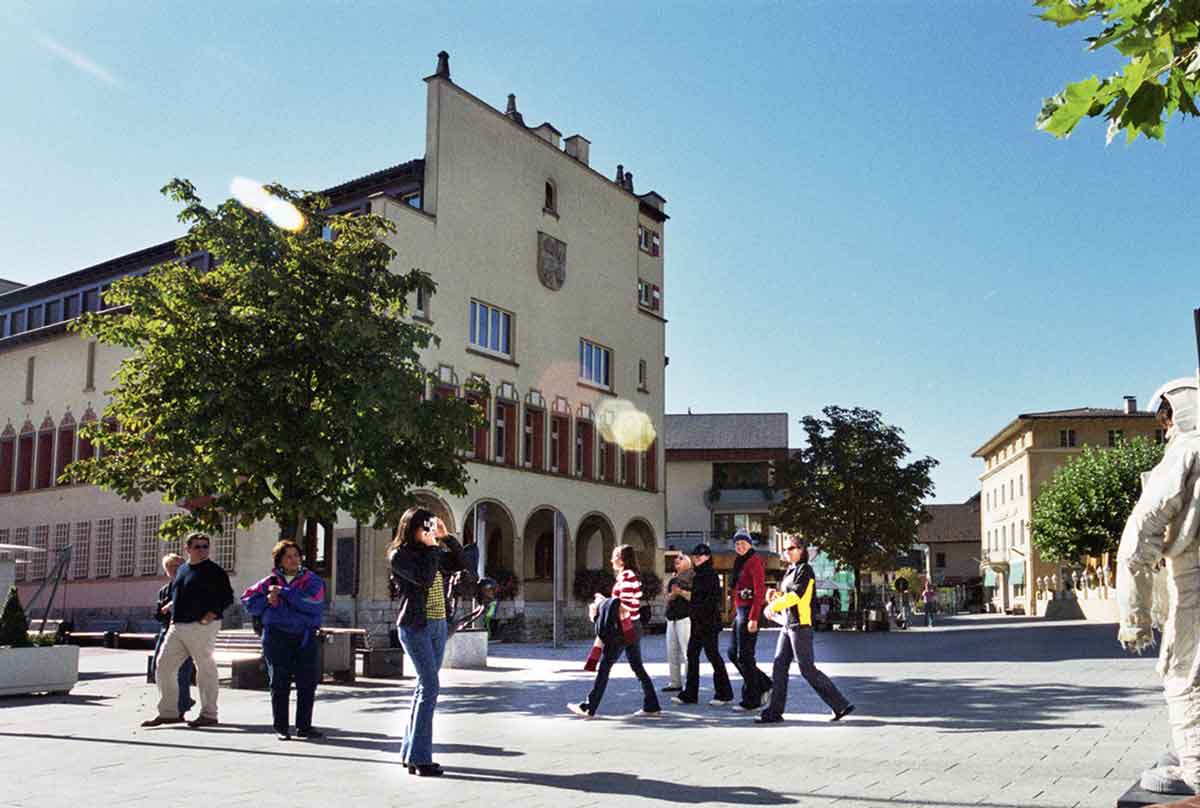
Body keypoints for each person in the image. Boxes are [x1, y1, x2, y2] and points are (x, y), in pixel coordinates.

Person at [1116, 377, 1200, 796]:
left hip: (1195, 583)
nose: (1164, 430)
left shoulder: (1186, 452)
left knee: (1185, 675)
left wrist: (1134, 619)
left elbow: (1138, 538)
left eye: (1165, 421)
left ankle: (1197, 771)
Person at [389, 507, 464, 777]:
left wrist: (447, 538)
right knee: (431, 686)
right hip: (414, 626)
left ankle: (410, 753)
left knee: (424, 687)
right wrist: (433, 548)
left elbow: (462, 563)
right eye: (425, 527)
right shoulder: (400, 555)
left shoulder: (431, 551)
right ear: (411, 528)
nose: (429, 531)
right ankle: (421, 758)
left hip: (438, 625)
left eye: (430, 526)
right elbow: (423, 578)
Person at [141, 532, 234, 728]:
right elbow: (182, 592)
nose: (202, 550)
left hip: (202, 626)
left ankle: (209, 714)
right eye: (197, 546)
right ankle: (169, 713)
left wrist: (211, 614)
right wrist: (171, 607)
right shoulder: (182, 570)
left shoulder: (214, 571)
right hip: (177, 626)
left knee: (205, 669)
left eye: (205, 546)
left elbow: (227, 596)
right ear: (188, 549)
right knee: (163, 666)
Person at [758, 539, 854, 724]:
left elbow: (797, 595)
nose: (788, 552)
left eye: (792, 548)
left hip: (800, 626)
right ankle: (774, 712)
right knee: (779, 667)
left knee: (807, 670)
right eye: (785, 549)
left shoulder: (805, 570)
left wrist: (773, 606)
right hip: (788, 625)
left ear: (801, 549)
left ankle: (840, 704)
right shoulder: (791, 570)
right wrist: (775, 597)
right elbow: (788, 596)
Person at [241, 539, 327, 741]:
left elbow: (314, 603)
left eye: (296, 555)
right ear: (279, 560)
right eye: (288, 556)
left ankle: (304, 726)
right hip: (276, 637)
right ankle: (281, 727)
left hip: (305, 637)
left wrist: (284, 593)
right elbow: (248, 601)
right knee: (279, 682)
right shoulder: (269, 582)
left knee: (307, 682)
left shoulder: (311, 579)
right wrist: (266, 600)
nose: (293, 560)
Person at [569, 544, 661, 718]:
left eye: (614, 556)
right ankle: (652, 705)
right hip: (632, 626)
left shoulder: (627, 576)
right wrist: (607, 601)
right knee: (637, 666)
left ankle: (589, 707)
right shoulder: (630, 576)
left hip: (624, 628)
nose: (611, 560)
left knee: (605, 666)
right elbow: (622, 603)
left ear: (622, 559)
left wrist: (601, 604)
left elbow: (623, 606)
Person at [673, 543, 734, 706]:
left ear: (708, 557)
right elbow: (698, 598)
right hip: (698, 622)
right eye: (695, 555)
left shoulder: (709, 575)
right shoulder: (699, 574)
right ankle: (690, 694)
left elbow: (709, 600)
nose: (697, 558)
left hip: (708, 622)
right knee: (693, 656)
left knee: (713, 656)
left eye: (700, 555)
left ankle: (724, 693)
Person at [727, 528, 772, 711]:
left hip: (749, 611)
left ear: (750, 544)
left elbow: (759, 591)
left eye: (743, 543)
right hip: (740, 611)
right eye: (737, 543)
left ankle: (752, 699)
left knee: (745, 656)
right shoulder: (739, 561)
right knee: (732, 653)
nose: (740, 546)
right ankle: (764, 682)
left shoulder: (754, 562)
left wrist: (754, 618)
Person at [150, 553, 195, 719]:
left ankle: (180, 708)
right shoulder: (164, 590)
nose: (174, 570)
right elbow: (158, 613)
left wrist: (174, 606)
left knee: (181, 671)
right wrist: (163, 611)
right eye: (170, 568)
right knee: (159, 668)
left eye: (177, 567)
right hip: (165, 630)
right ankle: (179, 702)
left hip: (184, 632)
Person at [662, 552, 694, 692]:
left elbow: (695, 597)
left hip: (685, 618)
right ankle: (675, 682)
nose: (677, 560)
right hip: (671, 619)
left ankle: (689, 683)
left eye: (681, 558)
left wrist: (680, 592)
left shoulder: (693, 577)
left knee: (687, 653)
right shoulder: (673, 578)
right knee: (672, 652)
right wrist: (671, 595)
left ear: (688, 563)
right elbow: (668, 597)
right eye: (676, 558)